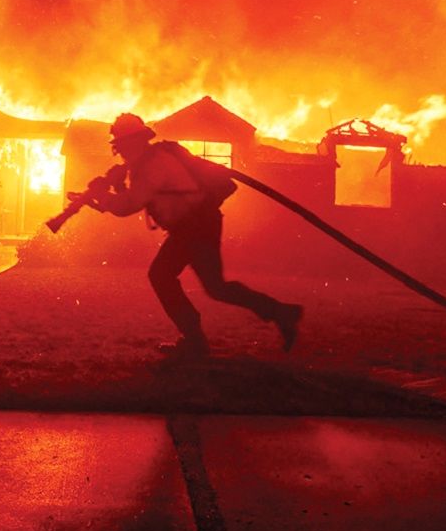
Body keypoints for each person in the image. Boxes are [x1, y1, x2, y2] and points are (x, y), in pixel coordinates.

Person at [82, 113, 302, 361]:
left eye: (121, 145)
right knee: (215, 287)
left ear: (134, 142)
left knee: (162, 276)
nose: (120, 152)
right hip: (196, 225)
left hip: (194, 226)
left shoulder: (153, 165)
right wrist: (117, 187)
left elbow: (130, 205)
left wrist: (104, 196)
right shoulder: (146, 164)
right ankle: (280, 313)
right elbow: (134, 199)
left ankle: (195, 340)